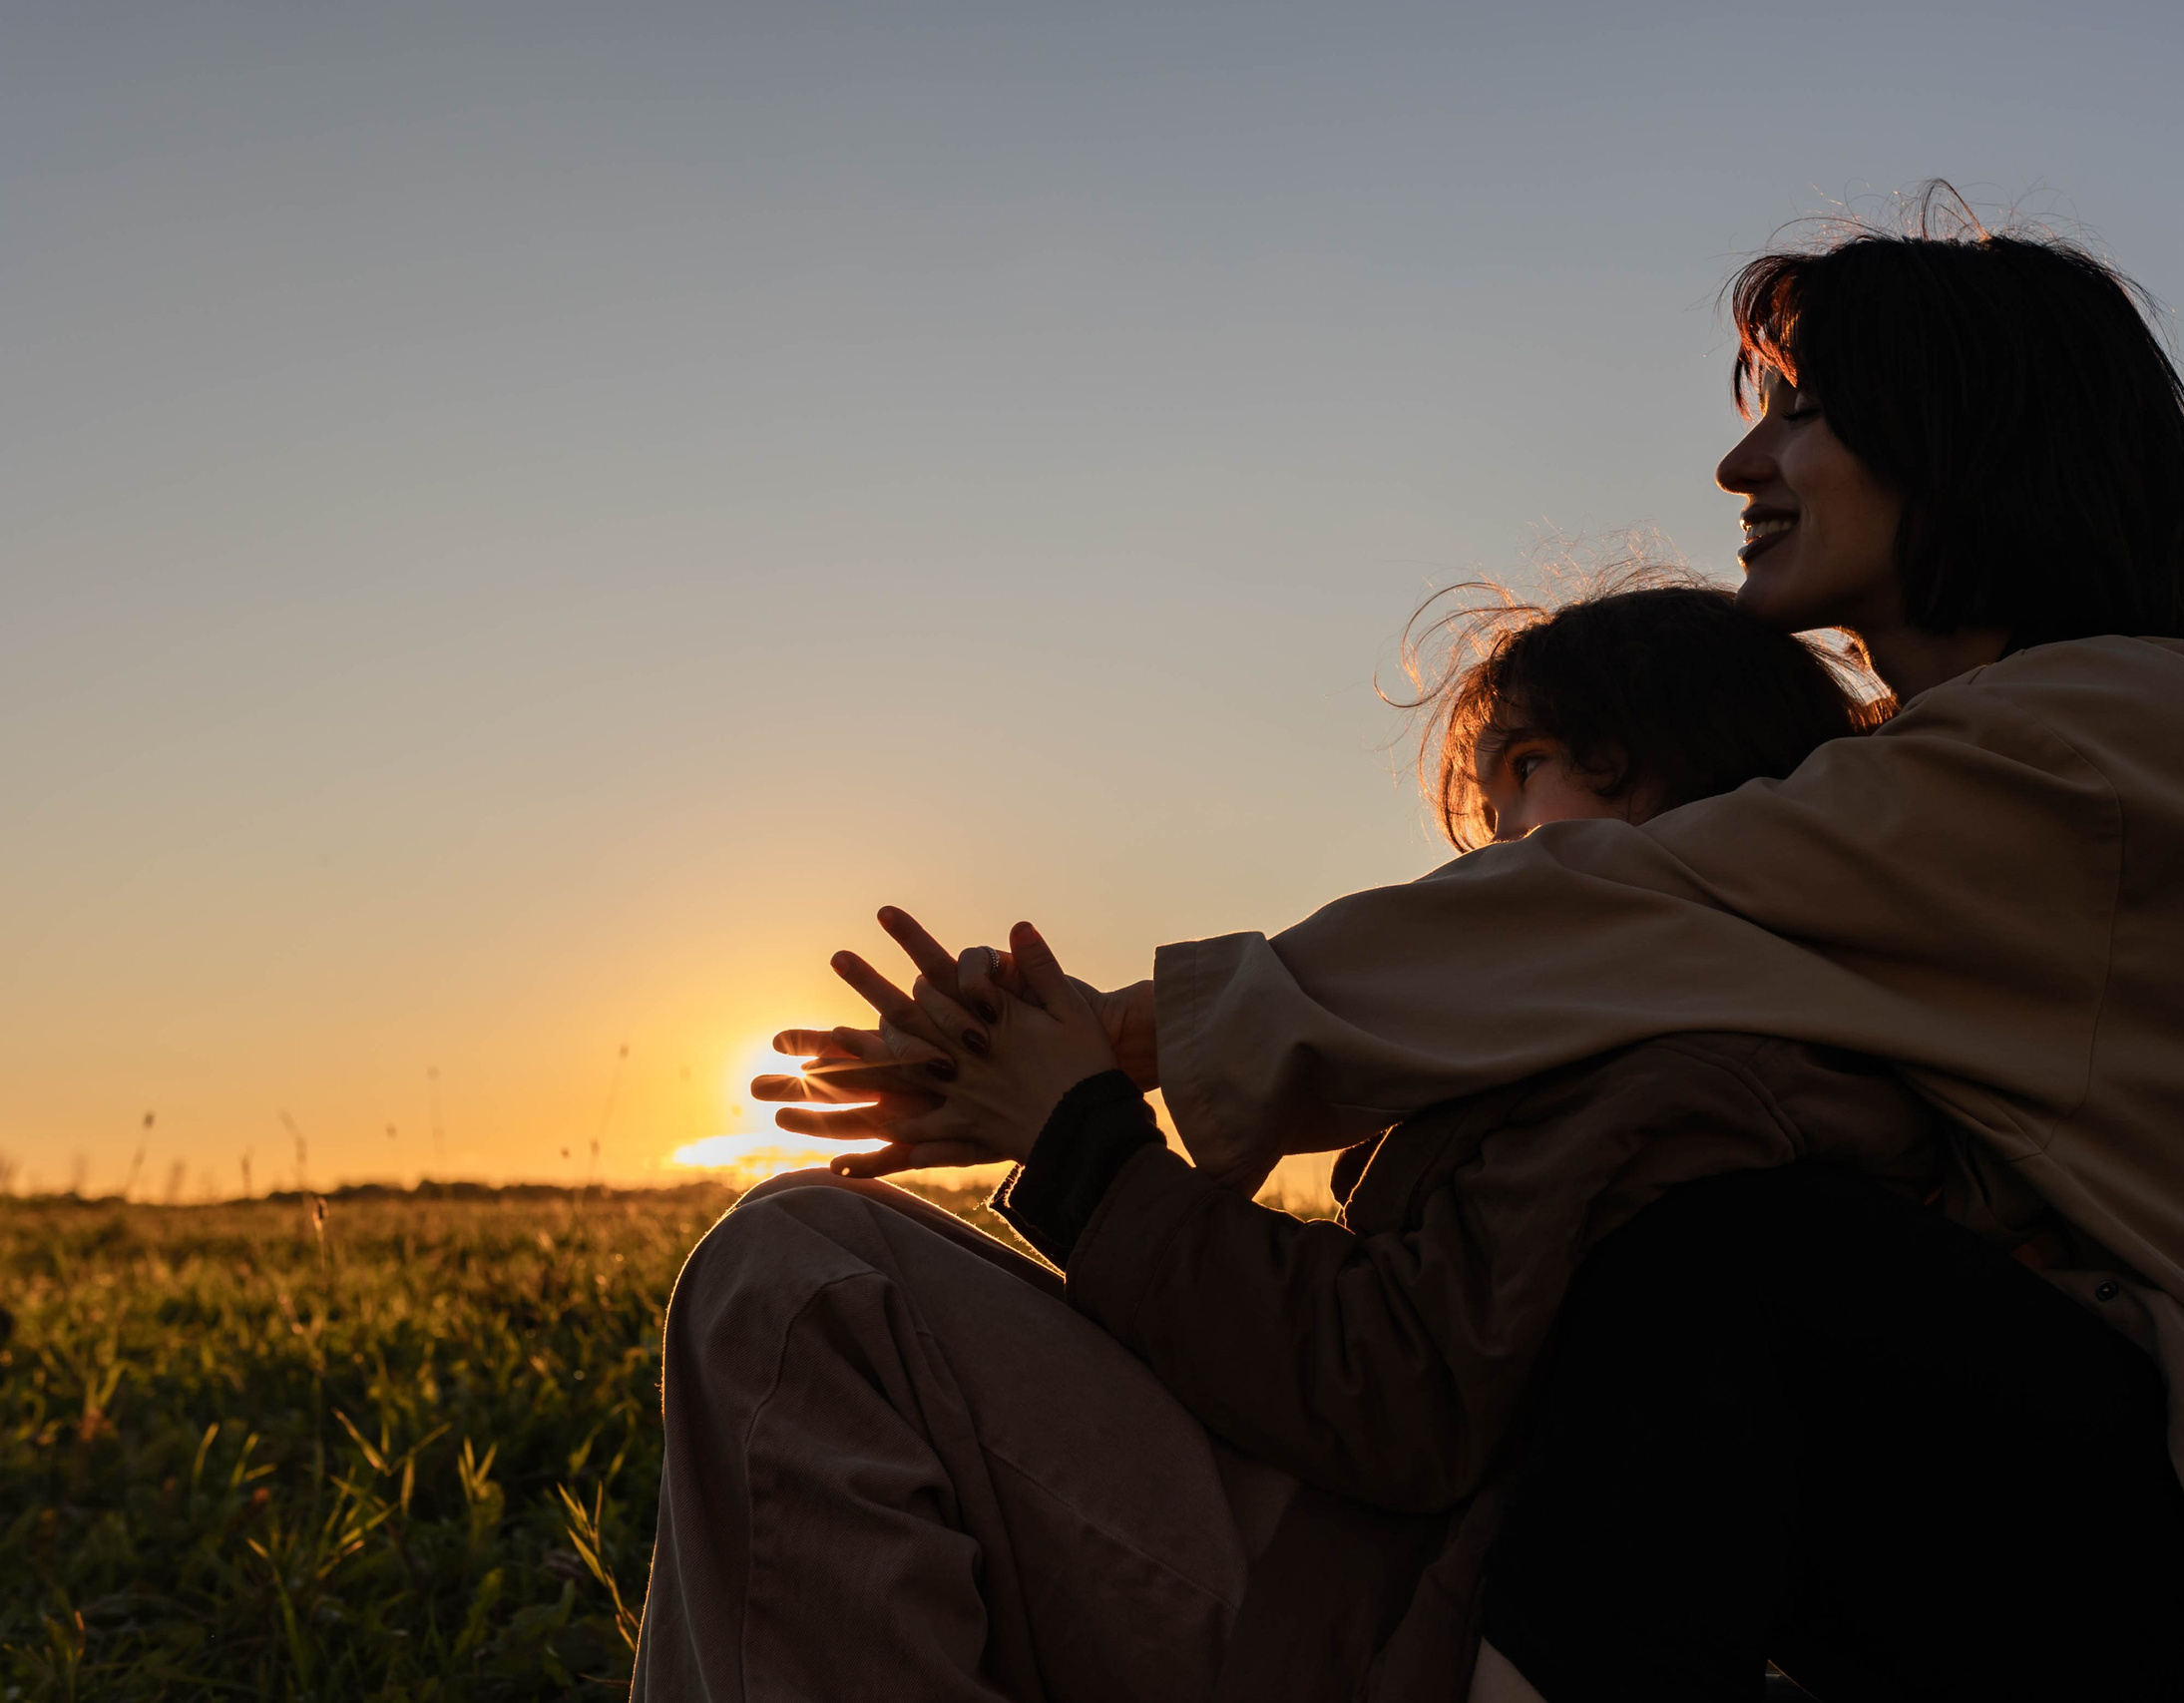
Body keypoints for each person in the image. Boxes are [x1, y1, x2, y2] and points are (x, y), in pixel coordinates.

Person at [900, 209, 2184, 1700]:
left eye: (1804, 411)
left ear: (1966, 434)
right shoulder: (1949, 787)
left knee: (1738, 1266)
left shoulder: (2132, 740)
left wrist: (1119, 1045)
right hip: (2183, 1561)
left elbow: (1627, 905)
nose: (1743, 462)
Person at [633, 578, 1980, 1702]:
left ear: (1684, 785)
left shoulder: (1702, 1072)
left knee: (803, 1287)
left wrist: (1078, 1141)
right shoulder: (1678, 1036)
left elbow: (1399, 1398)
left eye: (1526, 774)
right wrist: (1045, 1087)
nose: (1494, 849)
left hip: (1378, 1621)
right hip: (1362, 1574)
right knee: (815, 1256)